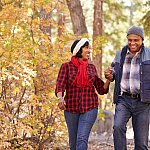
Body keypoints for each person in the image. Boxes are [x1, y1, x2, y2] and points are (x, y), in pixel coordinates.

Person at [55, 38, 110, 150]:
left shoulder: (91, 68)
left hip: (89, 107)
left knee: (82, 138)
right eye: (86, 48)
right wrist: (60, 98)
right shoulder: (66, 67)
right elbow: (60, 85)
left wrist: (108, 79)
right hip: (70, 109)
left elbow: (101, 89)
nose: (89, 50)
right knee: (73, 142)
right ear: (79, 50)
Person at [104, 26, 150, 150]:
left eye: (136, 40)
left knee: (141, 142)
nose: (132, 43)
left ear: (142, 40)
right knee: (118, 127)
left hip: (142, 102)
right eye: (130, 40)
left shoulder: (149, 54)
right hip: (123, 99)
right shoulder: (120, 54)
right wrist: (109, 74)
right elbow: (113, 72)